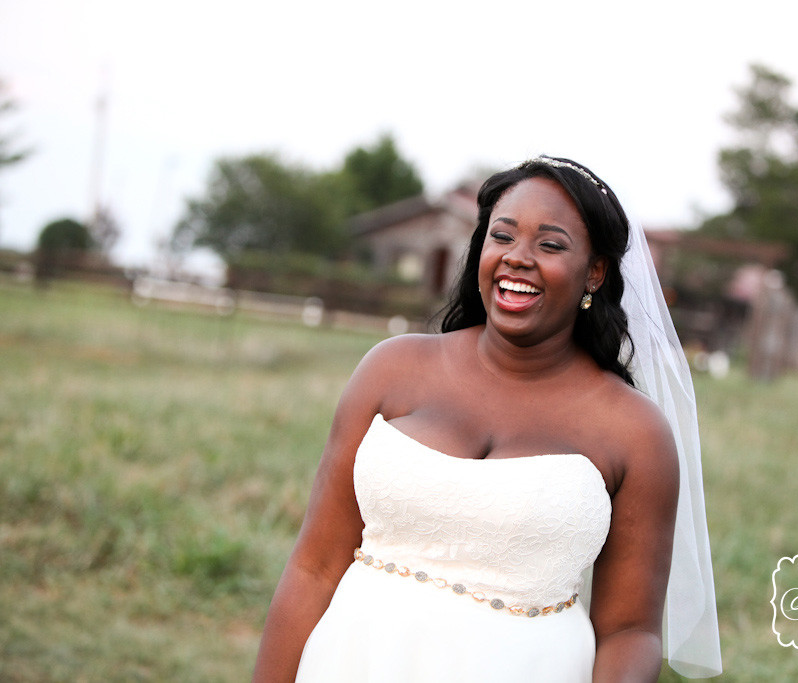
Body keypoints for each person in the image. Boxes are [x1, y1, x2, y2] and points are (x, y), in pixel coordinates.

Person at [253, 157, 721, 682]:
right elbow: (313, 569)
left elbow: (629, 632)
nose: (517, 259)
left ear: (595, 272)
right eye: (503, 236)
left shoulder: (635, 432)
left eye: (550, 245)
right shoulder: (391, 370)